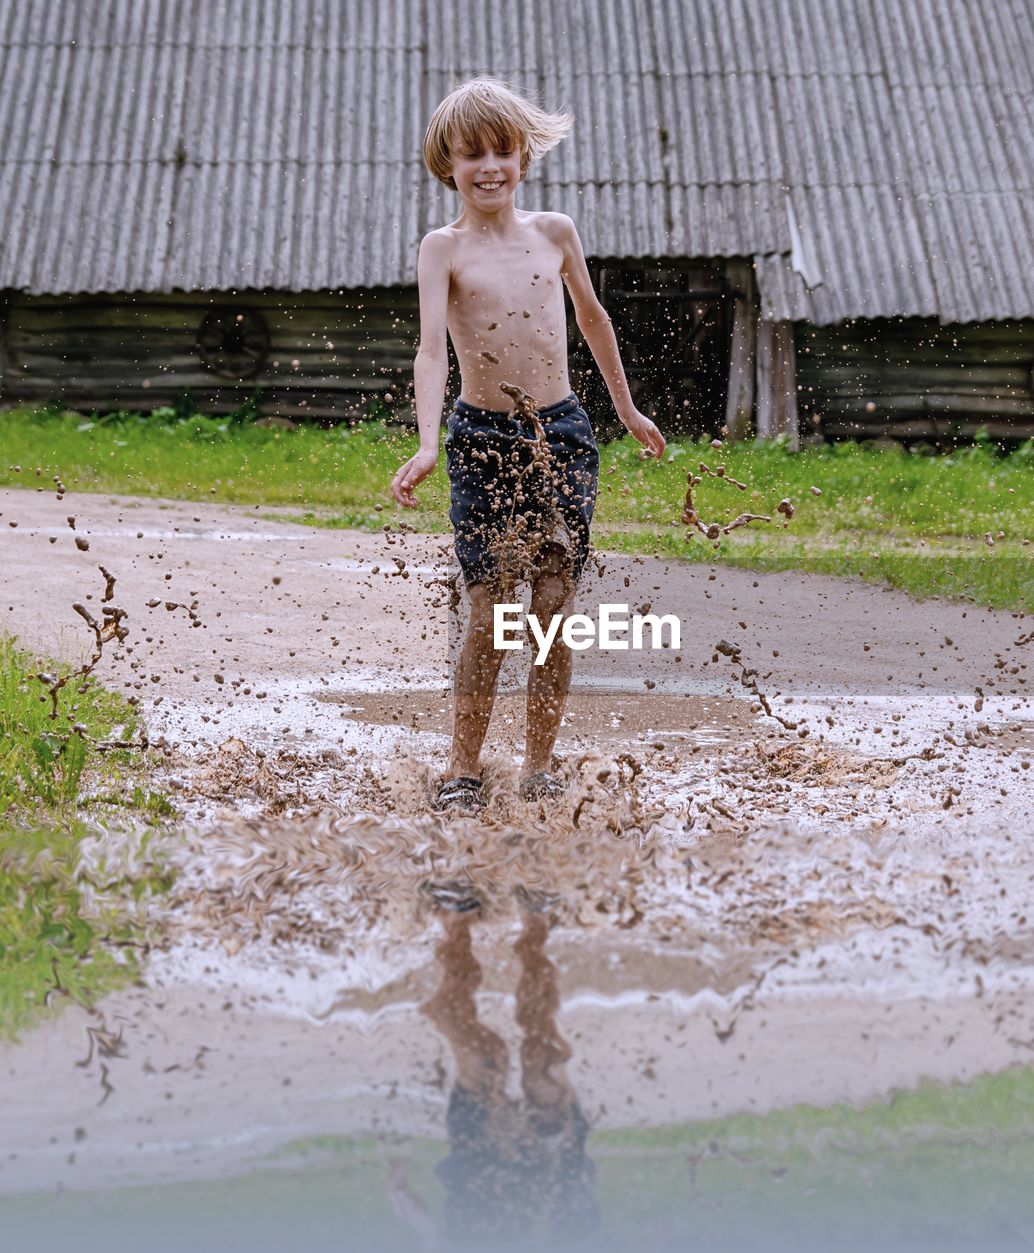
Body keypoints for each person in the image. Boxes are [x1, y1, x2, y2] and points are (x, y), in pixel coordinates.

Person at [391, 77, 664, 814]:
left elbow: (595, 320)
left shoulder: (555, 233)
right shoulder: (441, 248)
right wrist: (425, 443)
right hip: (483, 439)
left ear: (523, 158)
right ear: (446, 162)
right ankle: (462, 768)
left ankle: (541, 764)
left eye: (502, 151)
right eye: (471, 153)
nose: (489, 167)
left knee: (550, 602)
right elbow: (428, 353)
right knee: (489, 609)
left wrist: (628, 409)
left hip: (562, 433)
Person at [386, 882, 598, 1249]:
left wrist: (417, 1218)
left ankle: (456, 923)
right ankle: (536, 927)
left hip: (478, 1173)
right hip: (558, 1176)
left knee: (484, 1057)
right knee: (543, 1059)